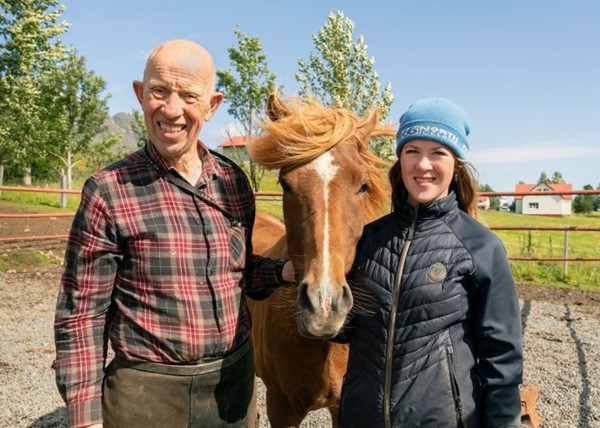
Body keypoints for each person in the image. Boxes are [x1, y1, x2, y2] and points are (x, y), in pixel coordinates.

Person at [53, 39, 295, 428]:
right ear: (140, 93)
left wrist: (283, 272)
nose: (171, 109)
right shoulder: (108, 189)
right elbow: (81, 314)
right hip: (147, 396)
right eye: (159, 91)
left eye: (188, 95)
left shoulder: (232, 182)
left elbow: (237, 273)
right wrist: (86, 417)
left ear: (212, 106)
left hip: (232, 387)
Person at [337, 98, 523, 427]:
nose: (423, 165)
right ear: (400, 160)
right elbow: (344, 330)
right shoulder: (368, 240)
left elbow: (502, 361)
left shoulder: (480, 247)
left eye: (438, 152)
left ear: (455, 164)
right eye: (412, 151)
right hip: (360, 417)